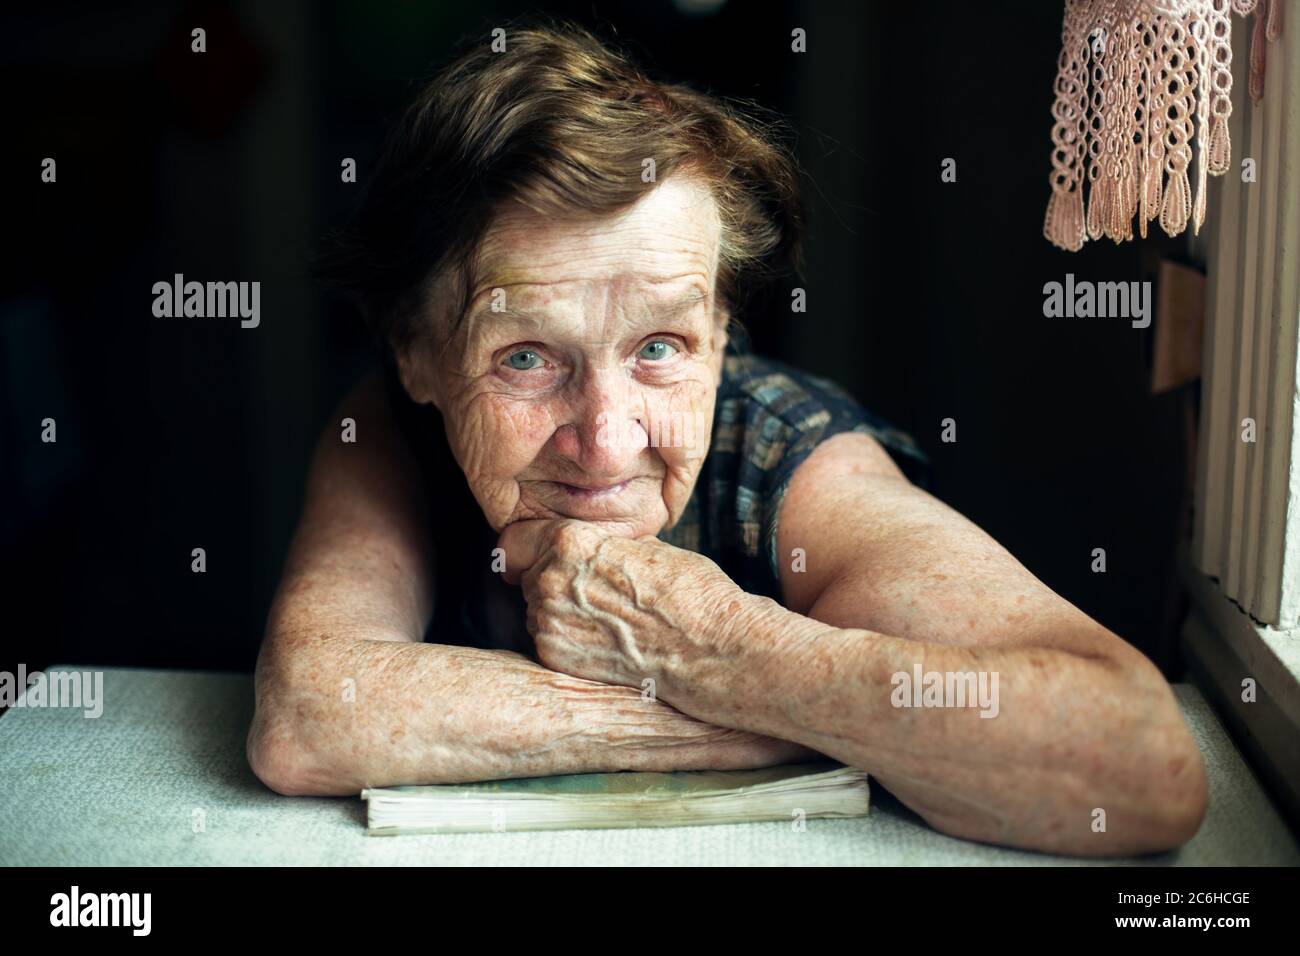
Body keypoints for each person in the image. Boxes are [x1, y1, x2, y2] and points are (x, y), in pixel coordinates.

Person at [247, 22, 1206, 856]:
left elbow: (1139, 761)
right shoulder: (392, 425)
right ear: (416, 352)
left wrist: (712, 648)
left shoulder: (793, 454)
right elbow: (311, 715)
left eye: (661, 347)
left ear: (722, 333)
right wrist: (791, 718)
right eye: (528, 359)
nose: (606, 440)